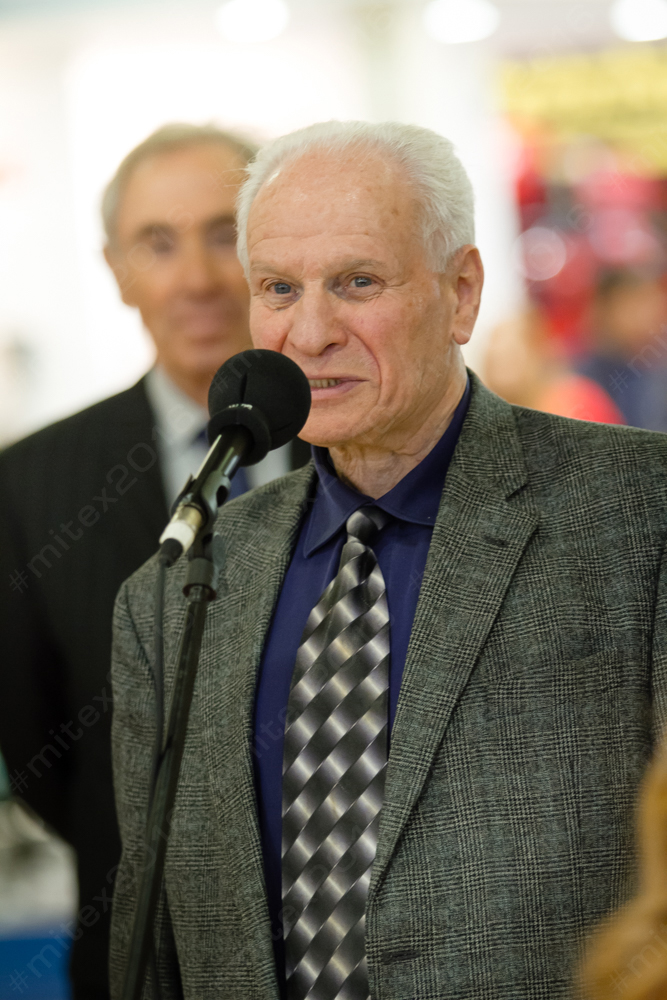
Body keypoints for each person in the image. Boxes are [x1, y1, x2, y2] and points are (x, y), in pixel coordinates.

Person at [109, 120, 667, 1000]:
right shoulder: (173, 591)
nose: (310, 332)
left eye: (357, 282)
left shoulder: (640, 514)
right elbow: (155, 947)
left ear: (460, 293)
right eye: (278, 288)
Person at [0, 123, 308, 1000]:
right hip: (145, 950)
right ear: (117, 270)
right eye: (157, 244)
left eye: (223, 236)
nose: (198, 279)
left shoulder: (365, 448)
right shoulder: (31, 484)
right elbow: (39, 748)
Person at [484, 307, 624, 424]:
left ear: (537, 351)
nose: (501, 358)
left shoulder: (574, 403)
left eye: (512, 352)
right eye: (494, 357)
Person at [578, 268, 667, 431]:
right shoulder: (583, 378)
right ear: (606, 311)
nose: (645, 317)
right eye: (634, 307)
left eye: (650, 305)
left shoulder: (657, 373)